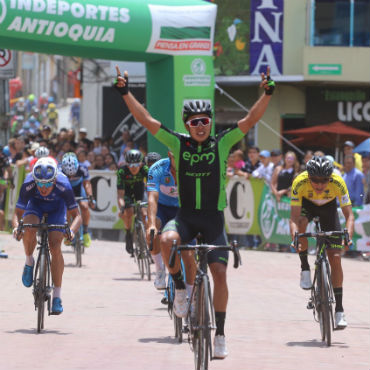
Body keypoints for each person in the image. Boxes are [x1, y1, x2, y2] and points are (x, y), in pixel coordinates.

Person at [113, 65, 275, 358]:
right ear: (187, 124)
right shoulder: (177, 142)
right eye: (195, 121)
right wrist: (125, 92)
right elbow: (146, 119)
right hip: (186, 216)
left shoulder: (222, 143)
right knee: (165, 241)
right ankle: (180, 290)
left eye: (206, 120)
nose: (201, 125)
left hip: (213, 219)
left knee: (220, 274)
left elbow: (251, 119)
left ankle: (221, 334)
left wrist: (267, 93)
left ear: (211, 123)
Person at [289, 156, 354, 329]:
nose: (319, 185)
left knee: (336, 258)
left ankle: (339, 310)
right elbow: (294, 218)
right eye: (315, 181)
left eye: (324, 181)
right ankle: (304, 268)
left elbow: (350, 216)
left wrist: (348, 235)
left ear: (330, 177)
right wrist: (295, 237)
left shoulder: (338, 182)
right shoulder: (299, 182)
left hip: (328, 208)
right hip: (307, 205)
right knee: (302, 223)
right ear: (308, 177)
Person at [12, 157, 82, 314]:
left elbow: (77, 216)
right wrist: (17, 229)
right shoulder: (29, 183)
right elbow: (17, 213)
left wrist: (71, 231)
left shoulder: (64, 184)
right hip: (35, 206)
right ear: (35, 179)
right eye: (40, 184)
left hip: (57, 209)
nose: (43, 188)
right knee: (28, 228)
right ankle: (29, 261)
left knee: (55, 245)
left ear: (55, 180)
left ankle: (57, 296)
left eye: (48, 184)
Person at [116, 149, 148, 255]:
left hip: (140, 191)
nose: (133, 168)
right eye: (130, 165)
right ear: (126, 164)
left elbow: (152, 187)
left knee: (144, 213)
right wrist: (122, 207)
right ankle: (128, 234)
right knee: (128, 212)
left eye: (136, 165)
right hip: (127, 193)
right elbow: (120, 195)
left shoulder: (145, 169)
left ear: (141, 164)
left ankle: (146, 240)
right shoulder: (122, 171)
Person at [61, 152, 95, 247]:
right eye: (69, 175)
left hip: (78, 189)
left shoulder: (82, 168)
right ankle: (67, 232)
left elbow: (87, 184)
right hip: (66, 189)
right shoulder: (59, 170)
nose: (71, 177)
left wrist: (91, 197)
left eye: (73, 174)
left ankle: (85, 232)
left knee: (84, 206)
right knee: (67, 209)